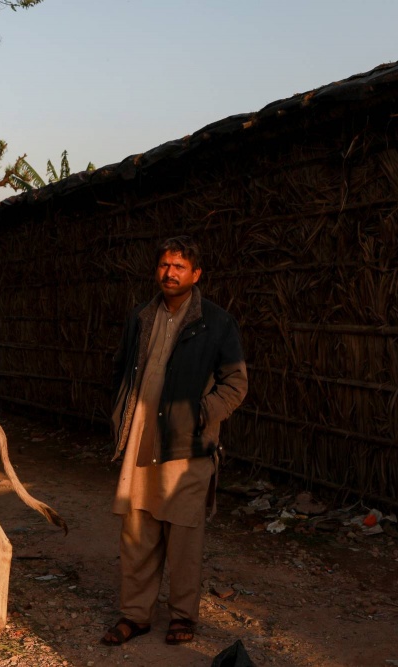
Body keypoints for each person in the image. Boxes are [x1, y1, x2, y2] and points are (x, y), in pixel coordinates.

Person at [101, 236, 248, 647]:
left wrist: (200, 415)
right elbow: (122, 369)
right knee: (137, 531)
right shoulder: (141, 316)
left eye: (180, 267)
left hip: (188, 447)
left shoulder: (216, 323)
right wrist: (120, 412)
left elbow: (235, 383)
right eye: (165, 265)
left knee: (184, 535)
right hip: (140, 441)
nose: (170, 273)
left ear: (196, 274)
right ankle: (136, 615)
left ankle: (183, 616)